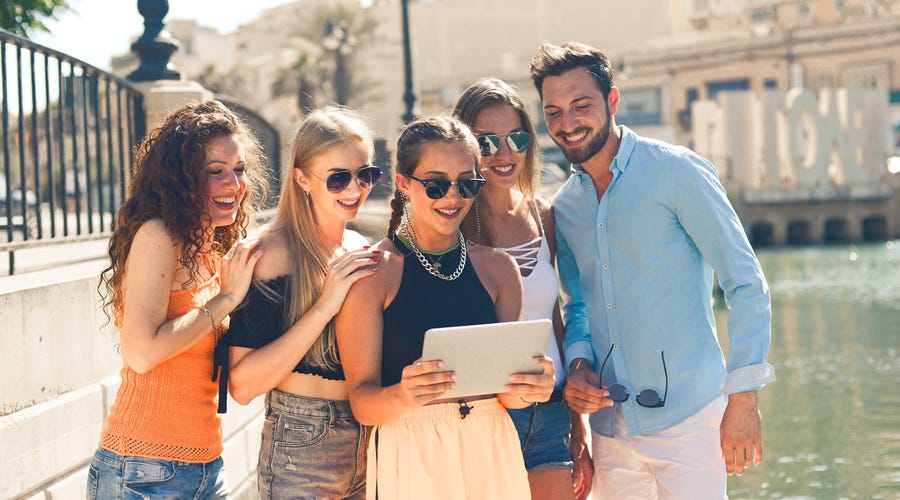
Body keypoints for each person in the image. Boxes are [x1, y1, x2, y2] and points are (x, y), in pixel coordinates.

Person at [529, 41, 776, 499]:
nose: (568, 124)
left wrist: (744, 396)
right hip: (609, 431)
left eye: (581, 106)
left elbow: (745, 282)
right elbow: (577, 305)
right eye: (554, 112)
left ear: (613, 101)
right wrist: (580, 366)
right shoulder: (565, 208)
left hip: (690, 419)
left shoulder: (677, 173)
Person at [334, 115, 556, 499]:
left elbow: (507, 397)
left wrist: (531, 387)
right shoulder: (373, 275)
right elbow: (363, 404)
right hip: (412, 448)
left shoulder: (499, 270)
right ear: (403, 184)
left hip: (493, 446)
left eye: (467, 184)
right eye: (436, 185)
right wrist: (403, 395)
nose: (453, 197)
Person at [89, 100, 265, 499]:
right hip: (142, 471)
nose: (234, 185)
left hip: (206, 466)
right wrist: (226, 299)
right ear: (182, 178)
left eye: (239, 171)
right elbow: (141, 352)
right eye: (215, 173)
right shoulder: (158, 236)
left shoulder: (208, 250)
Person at [220, 106, 382, 499]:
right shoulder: (269, 253)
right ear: (302, 178)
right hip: (302, 445)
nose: (355, 189)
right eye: (339, 178)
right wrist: (324, 306)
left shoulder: (362, 248)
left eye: (366, 175)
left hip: (373, 440)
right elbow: (240, 386)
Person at [452, 77, 592, 500]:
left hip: (550, 410)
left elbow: (554, 321)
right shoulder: (452, 224)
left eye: (515, 138)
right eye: (487, 143)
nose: (504, 154)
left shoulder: (543, 216)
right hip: (483, 415)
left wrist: (577, 426)